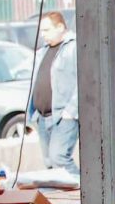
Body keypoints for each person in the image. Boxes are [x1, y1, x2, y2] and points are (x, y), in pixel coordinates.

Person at [27, 11, 79, 176]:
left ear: (60, 27)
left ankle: (83, 191)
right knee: (50, 163)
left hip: (62, 115)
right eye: (42, 31)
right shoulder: (43, 51)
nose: (43, 35)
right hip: (42, 116)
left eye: (47, 30)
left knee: (59, 158)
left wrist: (70, 111)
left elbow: (84, 80)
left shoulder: (72, 47)